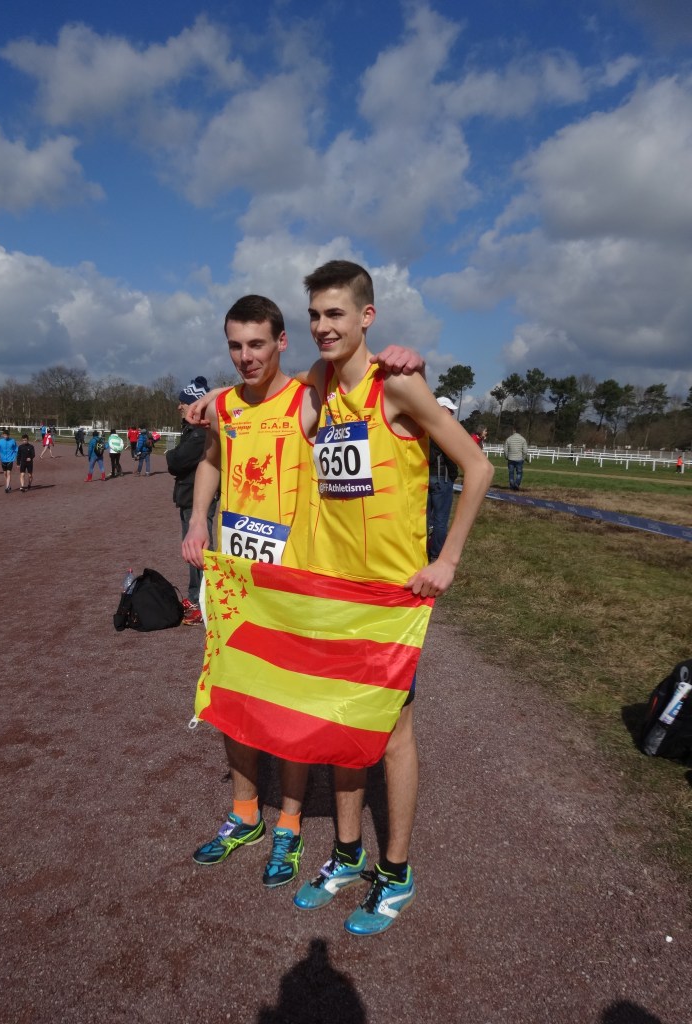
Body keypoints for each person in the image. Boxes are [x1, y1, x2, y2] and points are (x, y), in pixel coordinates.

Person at [183, 295, 425, 892]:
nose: (246, 357)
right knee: (236, 698)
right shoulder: (225, 406)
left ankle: (288, 824)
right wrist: (196, 520)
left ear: (281, 342)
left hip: (293, 582)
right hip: (238, 579)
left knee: (290, 704)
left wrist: (412, 362)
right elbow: (212, 458)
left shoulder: (307, 398)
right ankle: (245, 815)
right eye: (235, 346)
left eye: (256, 344)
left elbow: (372, 395)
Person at [292, 260, 494, 936]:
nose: (323, 326)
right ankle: (348, 853)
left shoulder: (399, 385)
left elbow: (477, 466)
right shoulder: (319, 385)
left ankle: (397, 870)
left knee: (390, 733)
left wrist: (447, 560)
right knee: (338, 723)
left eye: (336, 314)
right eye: (315, 315)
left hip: (390, 599)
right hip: (332, 592)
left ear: (366, 316)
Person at [168, 377, 218, 625]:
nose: (179, 406)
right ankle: (195, 596)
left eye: (184, 402)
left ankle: (204, 600)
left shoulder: (199, 433)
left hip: (197, 497)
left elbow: (176, 461)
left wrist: (171, 455)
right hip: (189, 495)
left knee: (200, 551)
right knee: (192, 551)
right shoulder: (192, 430)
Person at [427, 397, 460, 560]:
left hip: (424, 477)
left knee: (424, 518)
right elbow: (451, 456)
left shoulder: (423, 427)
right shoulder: (442, 429)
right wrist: (453, 475)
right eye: (449, 409)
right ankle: (436, 554)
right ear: (440, 408)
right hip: (442, 478)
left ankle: (421, 550)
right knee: (440, 520)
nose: (452, 413)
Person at [0, 428, 18, 493]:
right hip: (3, 459)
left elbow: (16, 449)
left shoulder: (13, 441)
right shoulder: (0, 441)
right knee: (5, 474)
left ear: (9, 435)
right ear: (3, 435)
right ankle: (8, 485)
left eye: (7, 435)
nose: (6, 436)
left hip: (10, 459)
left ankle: (7, 487)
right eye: (4, 435)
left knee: (8, 473)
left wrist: (17, 456)